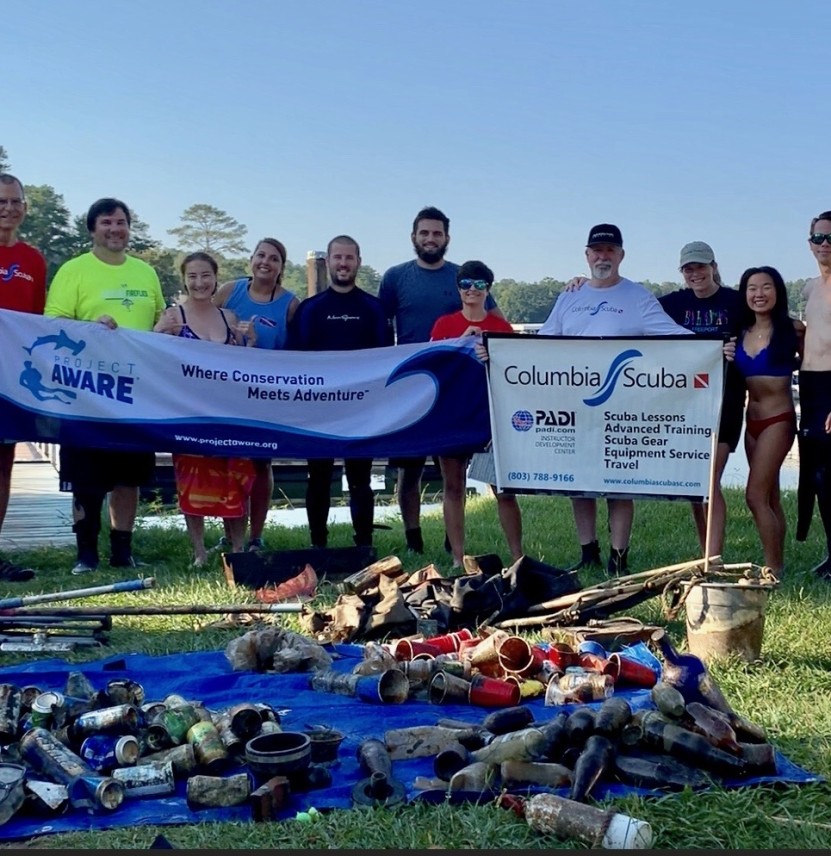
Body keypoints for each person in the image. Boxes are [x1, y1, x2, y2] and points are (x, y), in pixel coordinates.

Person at [539, 224, 691, 576]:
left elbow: (676, 336)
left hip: (624, 407)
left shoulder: (637, 297)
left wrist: (716, 347)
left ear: (621, 255)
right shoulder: (569, 297)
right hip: (575, 403)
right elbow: (542, 346)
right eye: (597, 250)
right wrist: (500, 355)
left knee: (620, 483)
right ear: (587, 255)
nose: (602, 256)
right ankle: (587, 551)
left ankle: (618, 556)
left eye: (610, 250)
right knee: (580, 482)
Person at [45, 197, 165, 574]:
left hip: (135, 394)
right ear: (92, 229)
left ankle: (122, 550)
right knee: (87, 478)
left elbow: (162, 323)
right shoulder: (73, 271)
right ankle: (86, 554)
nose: (115, 229)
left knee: (129, 476)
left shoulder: (146, 273)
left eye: (122, 222)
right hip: (86, 393)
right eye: (107, 223)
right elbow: (53, 323)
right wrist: (91, 328)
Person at [379, 206, 502, 553]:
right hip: (411, 385)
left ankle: (454, 541)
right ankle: (413, 537)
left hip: (456, 389)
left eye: (437, 233)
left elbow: (496, 322)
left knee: (454, 474)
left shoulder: (463, 277)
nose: (430, 239)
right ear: (414, 237)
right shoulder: (395, 277)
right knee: (409, 467)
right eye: (424, 233)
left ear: (447, 238)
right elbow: (381, 327)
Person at [288, 235, 393, 548]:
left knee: (360, 479)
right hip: (319, 410)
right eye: (338, 257)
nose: (343, 263)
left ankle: (364, 544)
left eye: (349, 258)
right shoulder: (310, 309)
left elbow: (386, 359)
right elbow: (293, 362)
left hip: (361, 410)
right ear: (329, 262)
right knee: (318, 478)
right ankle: (318, 544)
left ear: (358, 262)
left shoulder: (373, 309)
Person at [154, 252, 255, 567]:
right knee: (192, 479)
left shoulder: (230, 318)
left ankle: (237, 548)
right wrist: (159, 331)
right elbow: (151, 356)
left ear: (215, 278)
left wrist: (249, 342)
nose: (199, 282)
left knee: (234, 477)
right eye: (193, 276)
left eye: (206, 276)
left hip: (229, 413)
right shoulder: (173, 316)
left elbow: (246, 366)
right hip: (189, 413)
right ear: (184, 279)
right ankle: (199, 551)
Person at [429, 260, 523, 567]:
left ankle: (517, 556)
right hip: (453, 415)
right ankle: (458, 558)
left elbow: (516, 373)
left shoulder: (501, 328)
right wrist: (459, 344)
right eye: (466, 284)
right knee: (453, 486)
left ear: (488, 290)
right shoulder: (443, 324)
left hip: (489, 416)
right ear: (458, 288)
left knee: (503, 489)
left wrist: (492, 355)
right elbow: (432, 367)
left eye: (479, 284)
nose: (472, 290)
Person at [659, 242, 743, 560]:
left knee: (709, 480)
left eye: (700, 266)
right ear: (682, 272)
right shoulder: (673, 304)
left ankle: (714, 559)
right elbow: (631, 311)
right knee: (695, 486)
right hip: (688, 404)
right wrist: (583, 283)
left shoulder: (735, 302)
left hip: (727, 402)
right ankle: (705, 551)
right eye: (688, 268)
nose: (695, 273)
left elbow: (767, 324)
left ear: (713, 266)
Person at [214, 238, 298, 552]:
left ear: (281, 267)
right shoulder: (228, 291)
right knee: (230, 460)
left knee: (261, 464)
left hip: (267, 396)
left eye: (274, 258)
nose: (266, 262)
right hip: (228, 392)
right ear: (251, 259)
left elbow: (296, 353)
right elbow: (202, 328)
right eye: (260, 255)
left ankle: (256, 535)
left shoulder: (290, 303)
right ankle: (230, 531)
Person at [735, 266, 803, 577]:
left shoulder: (794, 330)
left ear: (777, 291)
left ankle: (772, 569)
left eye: (766, 287)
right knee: (771, 497)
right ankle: (779, 561)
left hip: (779, 419)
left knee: (754, 496)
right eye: (752, 288)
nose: (759, 294)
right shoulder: (739, 333)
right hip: (753, 423)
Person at [0, 173, 47, 582]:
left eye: (15, 201)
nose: (8, 208)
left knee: (3, 466)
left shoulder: (33, 261)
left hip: (12, 381)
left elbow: (36, 324)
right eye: (2, 201)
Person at [796, 210, 831, 580]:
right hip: (810, 384)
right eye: (819, 238)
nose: (824, 245)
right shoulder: (808, 287)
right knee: (818, 476)